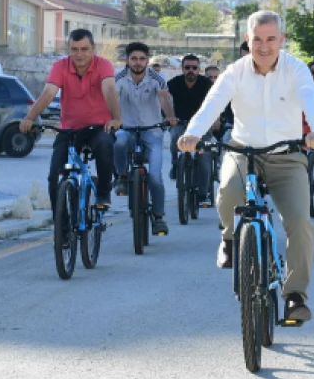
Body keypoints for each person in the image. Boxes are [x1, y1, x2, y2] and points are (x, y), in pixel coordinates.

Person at [178, 10, 314, 322]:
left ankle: (295, 295)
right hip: (243, 150)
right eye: (257, 39)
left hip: (287, 155)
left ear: (280, 40)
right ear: (248, 40)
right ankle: (231, 238)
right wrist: (192, 134)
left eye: (271, 39)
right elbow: (211, 105)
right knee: (228, 191)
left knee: (300, 221)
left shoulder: (295, 69)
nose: (264, 46)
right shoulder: (236, 72)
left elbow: (311, 100)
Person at [20, 29, 122, 211]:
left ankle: (103, 192)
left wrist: (116, 118)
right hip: (69, 129)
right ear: (68, 49)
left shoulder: (104, 65)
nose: (79, 54)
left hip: (98, 127)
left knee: (105, 146)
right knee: (54, 176)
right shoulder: (60, 66)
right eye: (74, 49)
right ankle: (62, 226)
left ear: (93, 48)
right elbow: (49, 93)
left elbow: (109, 90)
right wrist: (30, 117)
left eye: (84, 49)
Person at [113, 42, 177, 235]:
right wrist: (112, 118)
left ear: (147, 60)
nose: (138, 63)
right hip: (127, 129)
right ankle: (122, 177)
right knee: (119, 141)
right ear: (127, 60)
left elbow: (164, 99)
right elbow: (112, 98)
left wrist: (170, 116)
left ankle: (158, 217)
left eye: (142, 59)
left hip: (153, 131)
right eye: (134, 58)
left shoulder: (157, 78)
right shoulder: (119, 78)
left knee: (156, 177)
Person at [167, 54, 215, 206]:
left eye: (194, 68)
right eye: (187, 68)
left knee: (204, 156)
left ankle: (203, 193)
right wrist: (169, 117)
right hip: (180, 124)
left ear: (198, 69)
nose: (191, 71)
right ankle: (176, 165)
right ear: (182, 69)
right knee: (174, 135)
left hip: (203, 127)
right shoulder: (173, 84)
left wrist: (216, 121)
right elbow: (164, 102)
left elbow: (216, 104)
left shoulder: (207, 84)